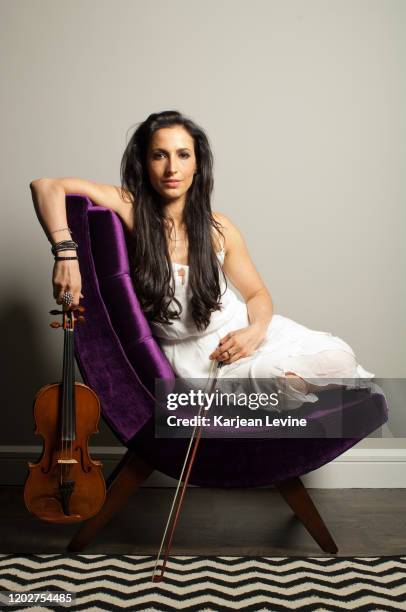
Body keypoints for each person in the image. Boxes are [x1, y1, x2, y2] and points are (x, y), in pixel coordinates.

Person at [30, 109, 375, 411]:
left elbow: (257, 295)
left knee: (339, 358)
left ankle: (282, 397)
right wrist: (66, 253)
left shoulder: (219, 227)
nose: (171, 168)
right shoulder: (131, 209)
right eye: (159, 155)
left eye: (183, 155)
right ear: (145, 164)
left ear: (197, 164)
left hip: (247, 336)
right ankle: (275, 399)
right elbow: (46, 186)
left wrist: (255, 332)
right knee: (274, 380)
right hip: (201, 361)